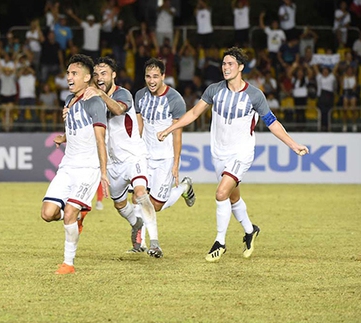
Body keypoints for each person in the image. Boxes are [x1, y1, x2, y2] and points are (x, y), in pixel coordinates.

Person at [157, 47, 309, 262]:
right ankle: (250, 230)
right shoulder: (214, 90)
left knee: (221, 194)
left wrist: (293, 145)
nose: (225, 67)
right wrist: (169, 129)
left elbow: (272, 123)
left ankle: (220, 242)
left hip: (241, 153)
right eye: (224, 63)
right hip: (219, 154)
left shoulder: (255, 95)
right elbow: (192, 113)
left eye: (230, 64)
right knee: (232, 195)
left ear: (241, 67)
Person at [84, 56, 164, 255]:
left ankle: (154, 243)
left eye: (103, 73)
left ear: (113, 75)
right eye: (96, 74)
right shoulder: (93, 99)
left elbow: (119, 110)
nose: (99, 77)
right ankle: (136, 224)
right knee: (119, 203)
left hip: (134, 156)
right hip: (113, 163)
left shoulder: (123, 93)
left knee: (140, 194)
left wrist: (100, 95)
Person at [41, 54, 109, 275]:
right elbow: (79, 131)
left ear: (87, 77)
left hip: (88, 169)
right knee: (48, 213)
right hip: (67, 167)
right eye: (68, 73)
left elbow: (100, 139)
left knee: (68, 213)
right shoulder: (69, 102)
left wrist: (104, 173)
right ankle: (77, 216)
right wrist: (64, 137)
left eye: (74, 73)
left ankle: (68, 263)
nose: (68, 77)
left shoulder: (95, 102)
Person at [133, 58, 196, 231]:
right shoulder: (139, 96)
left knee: (156, 205)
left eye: (155, 76)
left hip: (165, 158)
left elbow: (177, 134)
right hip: (145, 156)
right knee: (138, 199)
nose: (151, 81)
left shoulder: (175, 99)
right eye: (148, 77)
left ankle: (184, 186)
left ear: (163, 76)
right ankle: (140, 245)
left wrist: (175, 163)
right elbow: (139, 126)